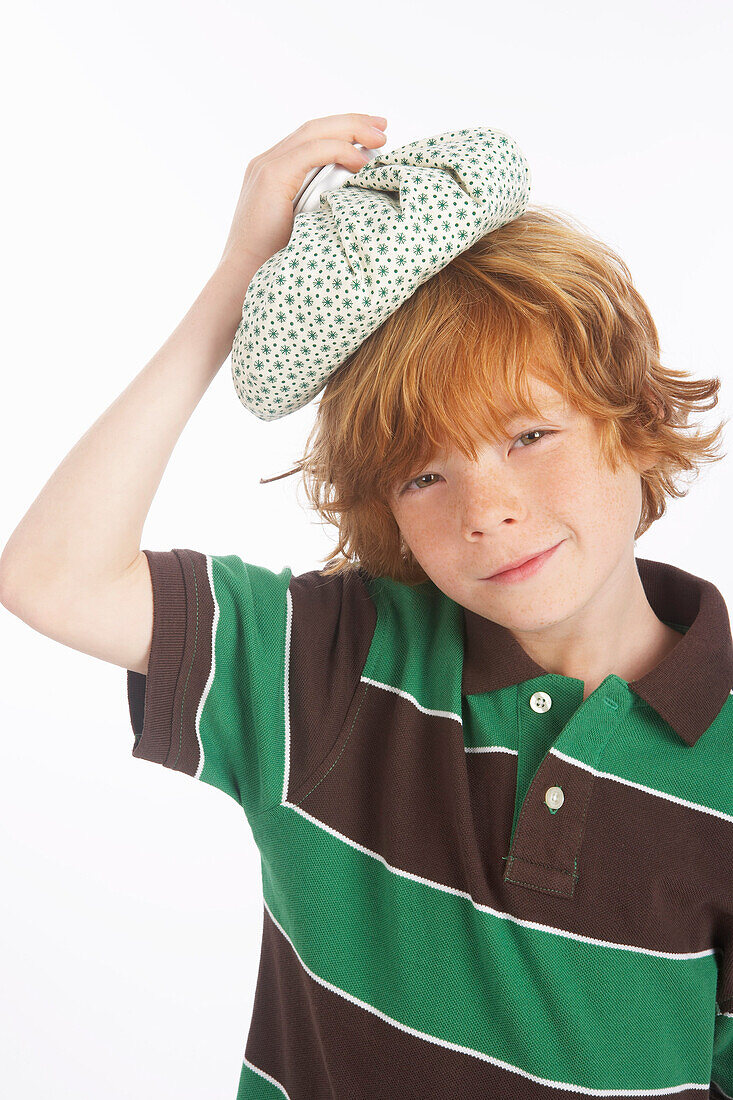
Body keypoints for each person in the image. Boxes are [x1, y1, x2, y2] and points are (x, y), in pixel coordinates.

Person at [1, 112, 732, 1098]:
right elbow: (53, 575)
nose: (488, 509)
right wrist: (235, 282)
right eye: (425, 475)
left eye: (526, 433)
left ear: (636, 423)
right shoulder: (337, 662)